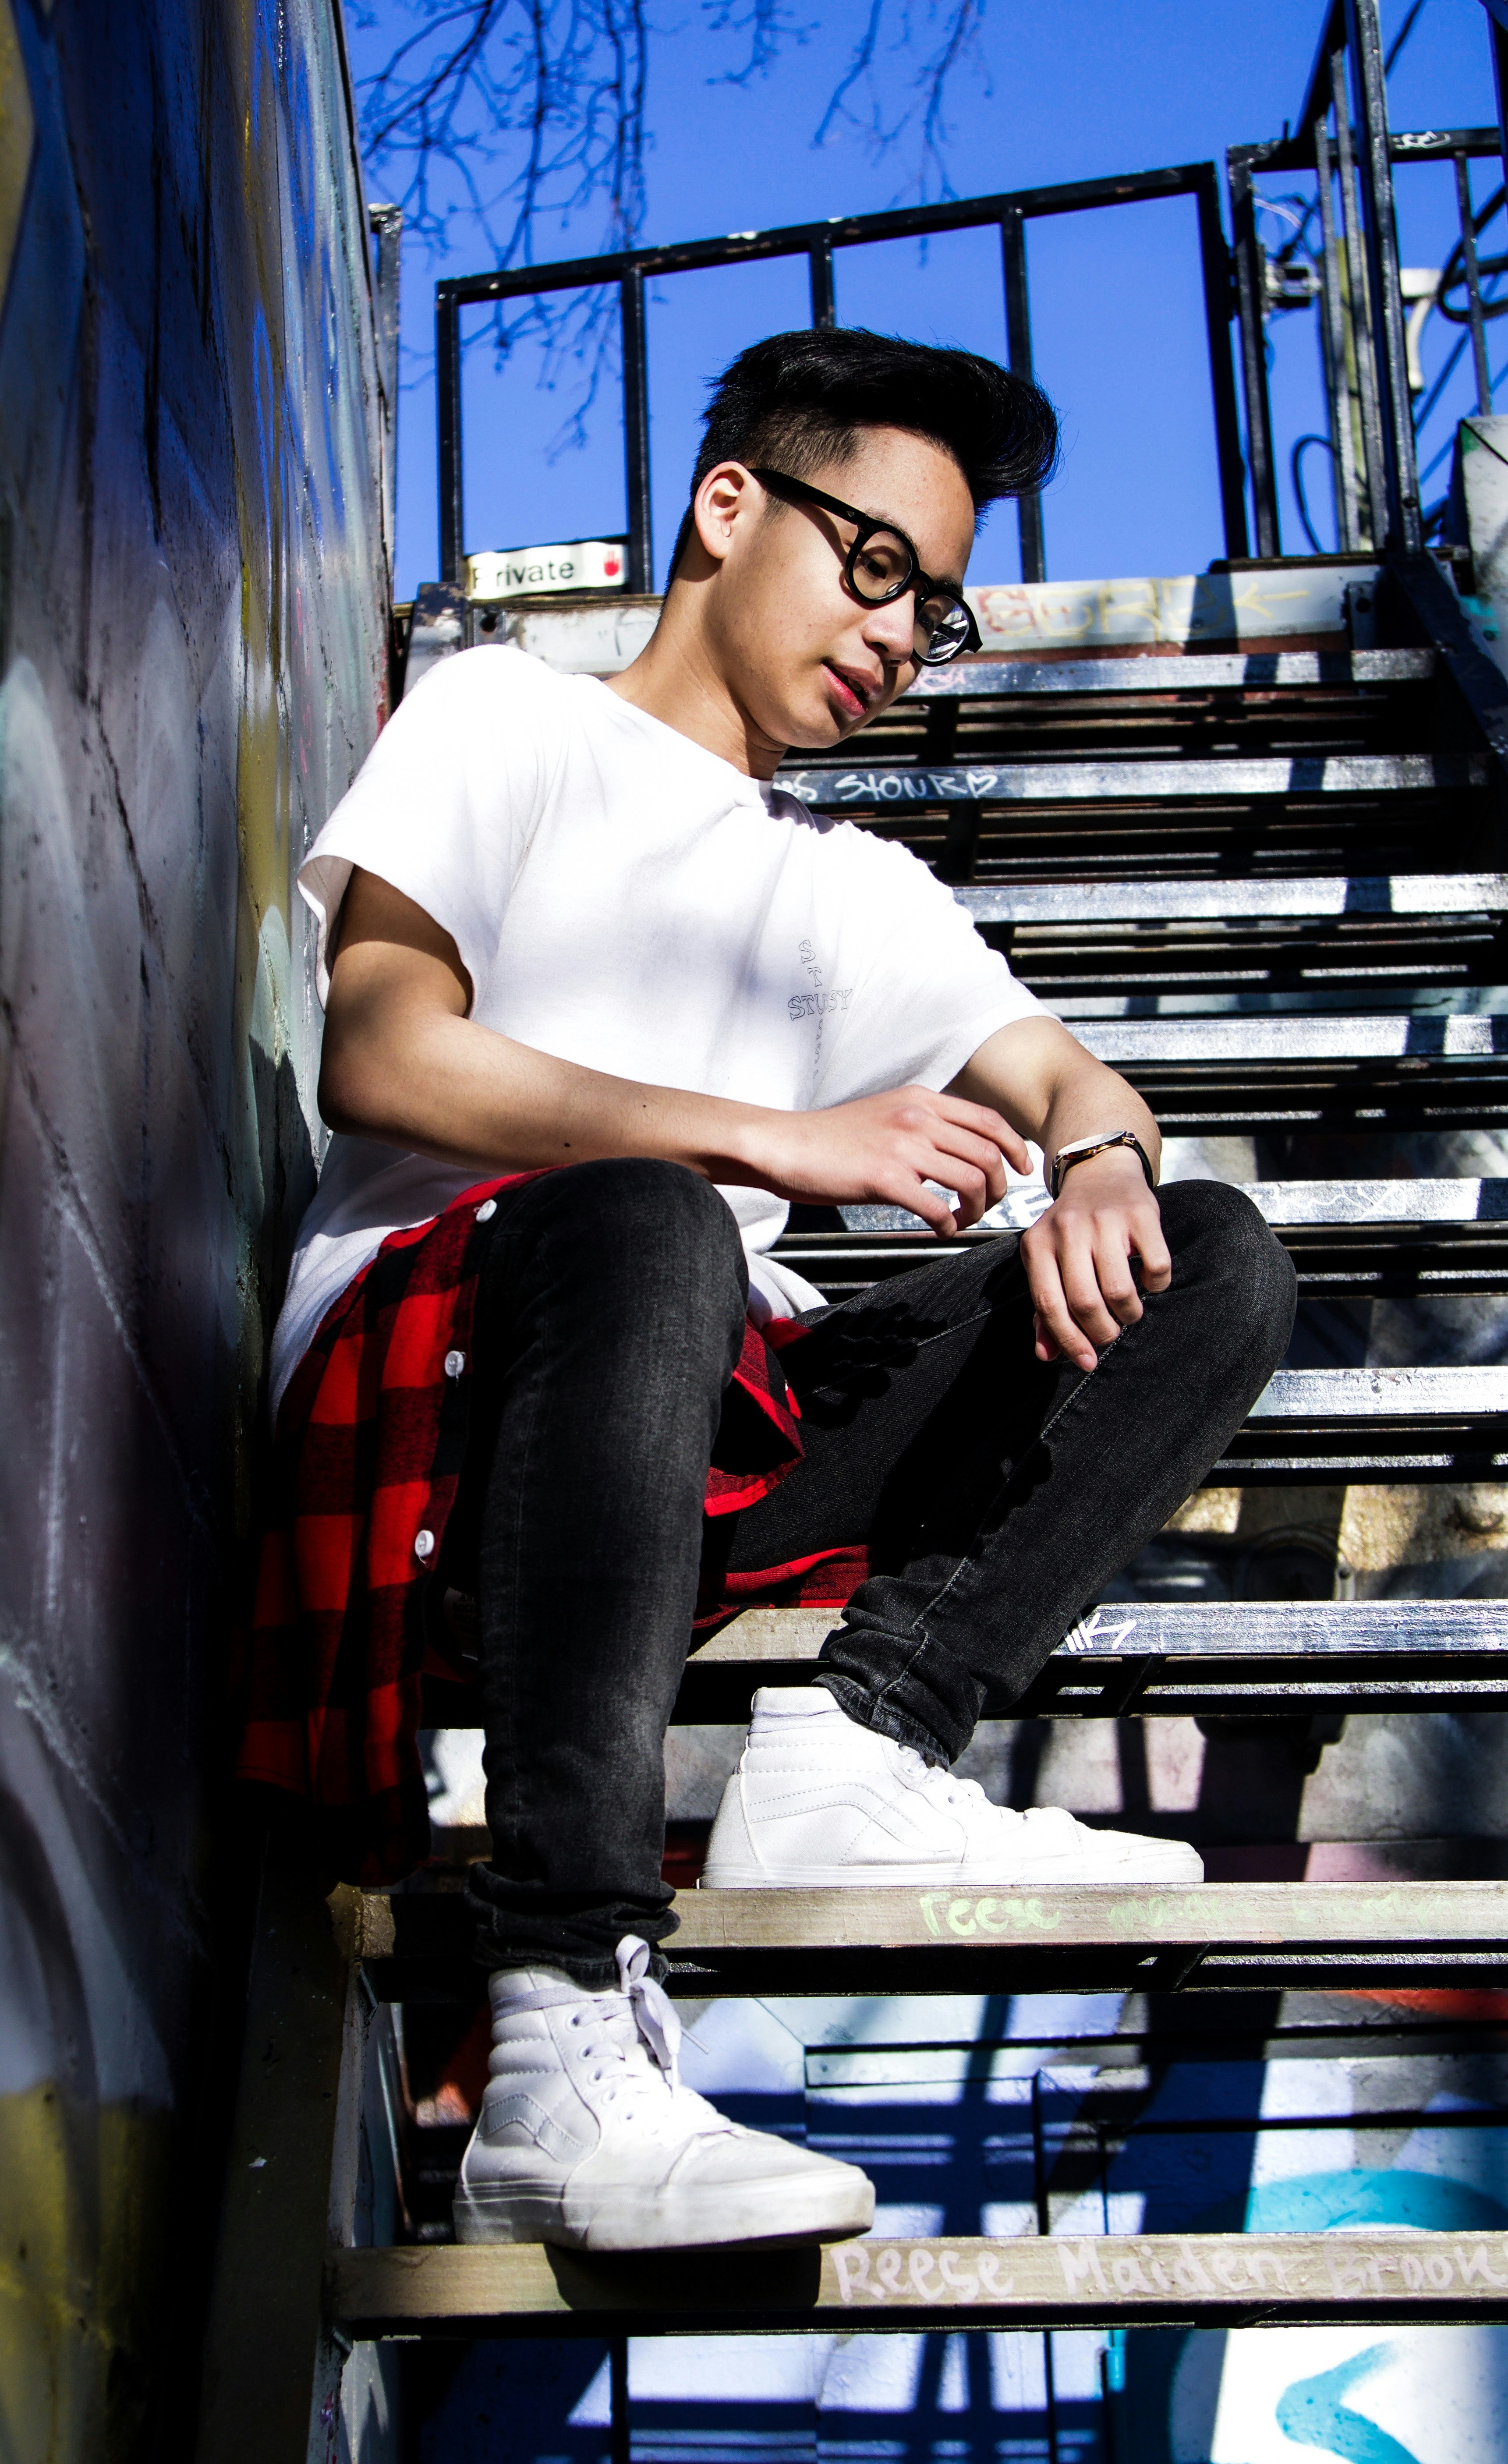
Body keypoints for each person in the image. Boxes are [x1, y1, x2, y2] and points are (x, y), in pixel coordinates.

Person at [248, 327, 1296, 2256]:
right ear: (730, 506)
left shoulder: (851, 878)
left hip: (697, 1429)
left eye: (938, 610)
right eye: (873, 565)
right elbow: (385, 1056)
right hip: (445, 1397)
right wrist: (768, 1137)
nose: (900, 635)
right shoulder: (507, 722)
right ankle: (561, 2023)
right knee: (650, 1213)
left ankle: (864, 1738)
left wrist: (1098, 1167)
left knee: (1213, 1256)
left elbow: (1074, 1078)